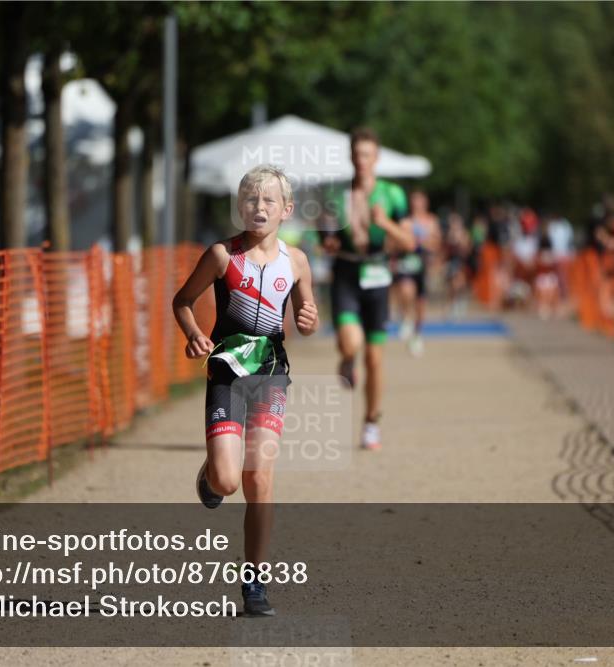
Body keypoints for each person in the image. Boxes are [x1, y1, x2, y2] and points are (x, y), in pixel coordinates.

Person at [172, 165, 318, 617]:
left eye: (269, 201)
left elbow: (307, 312)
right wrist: (194, 333)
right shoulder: (221, 255)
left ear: (286, 210)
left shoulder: (295, 261)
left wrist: (310, 320)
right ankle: (211, 473)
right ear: (240, 207)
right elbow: (181, 301)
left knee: (259, 478)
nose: (259, 207)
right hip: (228, 371)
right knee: (228, 481)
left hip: (271, 372)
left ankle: (254, 583)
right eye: (251, 200)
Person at [320, 127, 414, 450]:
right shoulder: (336, 193)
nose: (362, 161)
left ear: (376, 158)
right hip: (346, 271)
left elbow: (410, 242)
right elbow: (324, 234)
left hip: (377, 273)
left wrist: (384, 222)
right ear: (351, 157)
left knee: (375, 359)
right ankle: (347, 359)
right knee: (350, 343)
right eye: (357, 155)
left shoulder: (392, 195)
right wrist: (328, 240)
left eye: (367, 155)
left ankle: (371, 422)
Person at [392, 189, 440, 356]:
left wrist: (421, 243)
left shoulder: (431, 221)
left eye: (419, 200)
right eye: (414, 201)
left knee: (421, 305)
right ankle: (405, 317)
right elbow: (398, 242)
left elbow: (436, 243)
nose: (416, 204)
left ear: (425, 202)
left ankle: (417, 336)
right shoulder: (405, 221)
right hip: (407, 263)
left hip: (423, 265)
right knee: (406, 290)